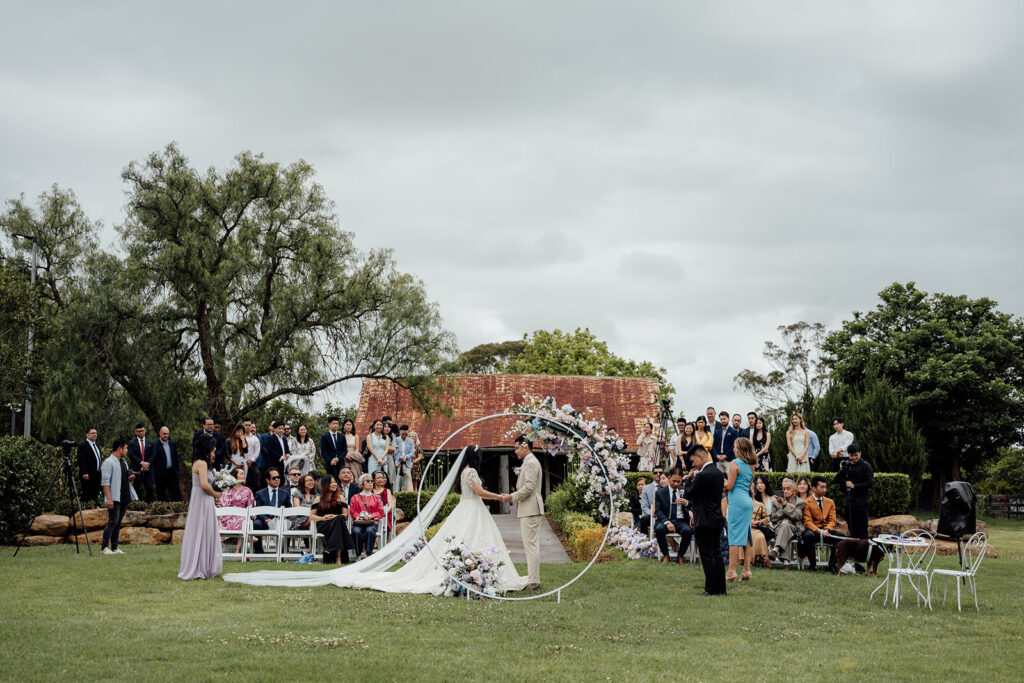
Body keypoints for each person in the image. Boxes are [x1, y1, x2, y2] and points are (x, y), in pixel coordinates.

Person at [501, 435, 544, 590]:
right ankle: (533, 579)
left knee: (531, 545)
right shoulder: (528, 463)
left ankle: (534, 582)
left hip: (531, 509)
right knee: (530, 545)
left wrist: (512, 497)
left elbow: (529, 487)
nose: (515, 451)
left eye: (517, 447)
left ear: (526, 447)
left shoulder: (531, 463)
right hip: (529, 508)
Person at [179, 433, 223, 579]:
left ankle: (202, 565)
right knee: (203, 530)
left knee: (201, 530)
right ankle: (200, 567)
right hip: (203, 499)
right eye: (213, 447)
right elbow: (204, 485)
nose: (215, 449)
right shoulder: (202, 464)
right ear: (207, 448)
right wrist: (216, 494)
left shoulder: (197, 462)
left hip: (201, 499)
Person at [683, 445, 726, 596]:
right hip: (716, 518)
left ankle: (710, 589)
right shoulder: (718, 473)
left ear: (700, 457)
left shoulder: (702, 475)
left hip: (704, 520)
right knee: (717, 554)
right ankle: (721, 589)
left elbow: (689, 494)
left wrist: (688, 479)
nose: (693, 465)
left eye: (693, 461)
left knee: (707, 556)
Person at [724, 437, 756, 582]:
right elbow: (748, 484)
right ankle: (746, 571)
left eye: (735, 447)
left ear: (739, 449)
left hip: (737, 501)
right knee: (747, 537)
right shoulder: (751, 466)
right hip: (748, 501)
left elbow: (730, 486)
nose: (734, 449)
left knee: (734, 538)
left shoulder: (734, 463)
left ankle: (731, 572)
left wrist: (721, 482)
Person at [100, 438, 137, 555]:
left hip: (124, 497)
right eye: (125, 448)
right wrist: (109, 498)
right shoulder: (108, 462)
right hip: (114, 498)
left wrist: (130, 478)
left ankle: (114, 548)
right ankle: (104, 548)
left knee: (118, 523)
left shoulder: (123, 462)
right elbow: (105, 482)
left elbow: (123, 478)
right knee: (112, 522)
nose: (127, 450)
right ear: (119, 448)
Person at [801, 475, 846, 571]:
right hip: (814, 530)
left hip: (827, 530)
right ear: (814, 488)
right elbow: (807, 521)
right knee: (808, 536)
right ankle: (812, 565)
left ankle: (831, 565)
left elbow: (832, 519)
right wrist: (820, 531)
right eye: (822, 487)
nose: (825, 489)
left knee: (840, 537)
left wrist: (827, 529)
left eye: (825, 487)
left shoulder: (830, 502)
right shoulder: (807, 502)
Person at [310, 474, 354, 564]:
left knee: (338, 519)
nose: (334, 484)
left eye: (335, 482)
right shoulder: (318, 499)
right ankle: (337, 556)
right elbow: (311, 516)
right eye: (331, 483)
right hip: (324, 524)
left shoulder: (341, 497)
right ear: (325, 485)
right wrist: (322, 518)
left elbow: (345, 515)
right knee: (339, 522)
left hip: (338, 524)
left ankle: (331, 550)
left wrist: (336, 517)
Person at [654, 468, 693, 563]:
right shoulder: (660, 493)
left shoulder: (684, 491)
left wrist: (686, 502)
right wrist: (667, 522)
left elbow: (693, 503)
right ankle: (666, 555)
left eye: (679, 481)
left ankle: (680, 556)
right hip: (665, 520)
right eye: (674, 481)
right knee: (659, 529)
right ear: (668, 478)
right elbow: (658, 511)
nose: (676, 484)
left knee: (688, 531)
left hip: (680, 520)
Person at [251, 468, 291, 555]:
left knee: (288, 524)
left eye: (278, 477)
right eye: (274, 478)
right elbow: (258, 509)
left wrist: (282, 516)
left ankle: (283, 552)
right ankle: (258, 551)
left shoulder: (285, 493)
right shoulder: (260, 493)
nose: (277, 479)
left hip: (280, 520)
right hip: (264, 520)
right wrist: (265, 519)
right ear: (267, 480)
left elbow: (289, 509)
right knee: (256, 524)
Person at [769, 477, 805, 567]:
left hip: (795, 528)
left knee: (785, 525)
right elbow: (773, 518)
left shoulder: (800, 502)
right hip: (778, 528)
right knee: (784, 527)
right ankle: (786, 563)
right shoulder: (775, 502)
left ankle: (775, 549)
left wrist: (785, 505)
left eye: (788, 489)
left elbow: (797, 516)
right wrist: (786, 508)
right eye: (783, 489)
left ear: (794, 491)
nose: (785, 491)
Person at [218, 466, 255, 554]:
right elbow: (224, 507)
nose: (244, 475)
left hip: (245, 518)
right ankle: (248, 538)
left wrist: (243, 513)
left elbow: (251, 506)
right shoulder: (228, 491)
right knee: (241, 519)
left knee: (243, 519)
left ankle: (238, 550)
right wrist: (235, 511)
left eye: (244, 474)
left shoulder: (248, 491)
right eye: (241, 474)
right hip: (230, 519)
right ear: (235, 476)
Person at [349, 473, 385, 558]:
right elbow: (352, 511)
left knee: (370, 531)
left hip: (372, 523)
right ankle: (358, 554)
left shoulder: (376, 498)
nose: (370, 482)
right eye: (368, 481)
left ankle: (369, 554)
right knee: (356, 531)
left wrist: (370, 516)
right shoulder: (355, 497)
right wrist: (362, 516)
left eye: (372, 481)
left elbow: (381, 512)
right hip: (359, 522)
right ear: (361, 484)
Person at [843, 443, 873, 539]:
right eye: (851, 455)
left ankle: (864, 550)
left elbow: (870, 483)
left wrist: (854, 486)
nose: (854, 458)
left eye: (856, 455)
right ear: (848, 454)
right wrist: (841, 470)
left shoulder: (866, 466)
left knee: (862, 529)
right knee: (852, 529)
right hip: (849, 503)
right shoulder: (847, 465)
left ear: (860, 453)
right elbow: (836, 480)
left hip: (861, 503)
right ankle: (854, 551)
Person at [126, 422, 155, 503]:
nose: (141, 432)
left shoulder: (151, 442)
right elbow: (131, 455)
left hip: (148, 469)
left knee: (149, 488)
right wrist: (141, 463)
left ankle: (150, 507)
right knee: (138, 489)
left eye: (142, 431)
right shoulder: (132, 443)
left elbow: (153, 454)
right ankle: (139, 506)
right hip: (137, 469)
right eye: (139, 431)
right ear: (135, 432)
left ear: (145, 431)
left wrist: (147, 464)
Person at [153, 426, 181, 501]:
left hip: (172, 472)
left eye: (167, 434)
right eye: (164, 434)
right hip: (161, 473)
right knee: (161, 494)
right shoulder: (155, 445)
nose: (166, 435)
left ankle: (176, 508)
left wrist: (177, 471)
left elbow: (175, 458)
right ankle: (162, 510)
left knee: (175, 492)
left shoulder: (172, 444)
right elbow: (153, 460)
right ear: (160, 434)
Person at [77, 427, 103, 502]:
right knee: (86, 494)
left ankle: (93, 509)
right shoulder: (83, 446)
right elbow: (81, 460)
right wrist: (84, 472)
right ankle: (85, 510)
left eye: (96, 433)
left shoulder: (97, 445)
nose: (95, 435)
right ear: (87, 435)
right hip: (87, 475)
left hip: (97, 474)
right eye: (92, 433)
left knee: (95, 494)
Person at [751, 474, 776, 546]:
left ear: (765, 483)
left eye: (761, 483)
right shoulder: (754, 500)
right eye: (757, 483)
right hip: (758, 524)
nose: (759, 485)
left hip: (771, 523)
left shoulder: (772, 498)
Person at [639, 466, 664, 535]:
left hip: (666, 514)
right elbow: (644, 506)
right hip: (652, 514)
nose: (658, 474)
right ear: (653, 475)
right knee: (644, 519)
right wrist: (653, 514)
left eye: (660, 473)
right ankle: (644, 540)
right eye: (656, 473)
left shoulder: (668, 487)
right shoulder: (646, 488)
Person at [372, 471, 396, 540]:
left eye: (382, 478)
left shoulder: (387, 491)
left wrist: (384, 513)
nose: (380, 479)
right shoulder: (371, 491)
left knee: (385, 523)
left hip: (385, 513)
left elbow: (390, 505)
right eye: (378, 478)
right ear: (373, 480)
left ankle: (380, 542)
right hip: (373, 513)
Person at [394, 425, 416, 492]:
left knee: (407, 478)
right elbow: (395, 451)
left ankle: (404, 493)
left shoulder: (410, 441)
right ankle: (396, 492)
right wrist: (400, 458)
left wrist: (406, 457)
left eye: (406, 430)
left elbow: (412, 452)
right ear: (400, 431)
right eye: (403, 431)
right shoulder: (396, 439)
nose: (404, 432)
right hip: (398, 462)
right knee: (397, 479)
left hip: (407, 462)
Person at [242, 419, 262, 491]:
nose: (247, 427)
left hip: (252, 463)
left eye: (249, 425)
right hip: (241, 463)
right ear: (242, 426)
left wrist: (251, 460)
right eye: (246, 425)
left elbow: (257, 451)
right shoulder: (240, 437)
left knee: (255, 483)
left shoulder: (255, 439)